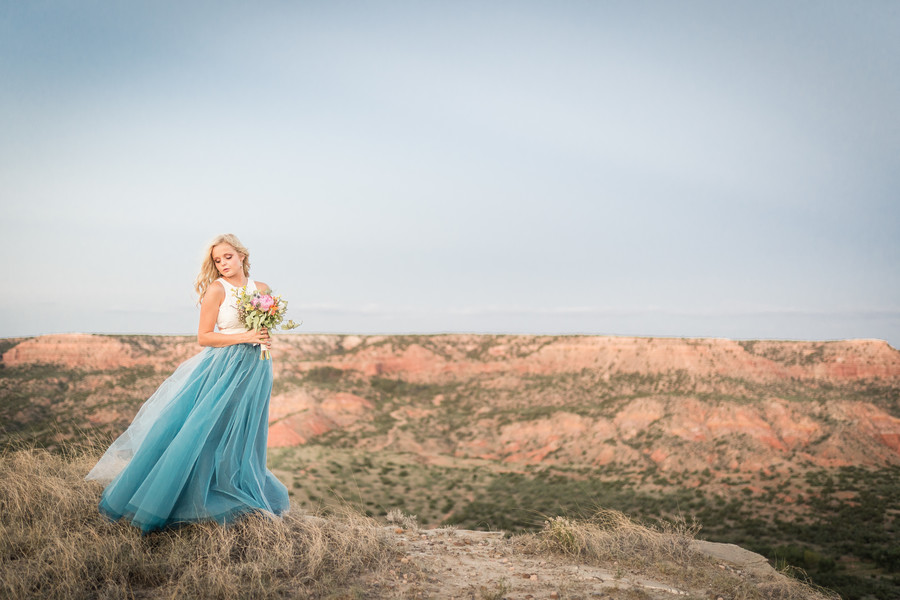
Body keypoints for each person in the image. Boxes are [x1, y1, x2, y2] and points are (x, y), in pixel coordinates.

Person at [85, 233, 290, 533]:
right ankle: (184, 497)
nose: (223, 264)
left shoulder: (262, 289)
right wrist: (246, 336)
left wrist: (262, 336)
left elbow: (264, 326)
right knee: (206, 430)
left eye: (228, 257)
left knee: (246, 434)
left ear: (242, 256)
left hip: (257, 368)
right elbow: (204, 336)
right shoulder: (216, 290)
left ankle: (240, 487)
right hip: (224, 367)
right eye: (217, 260)